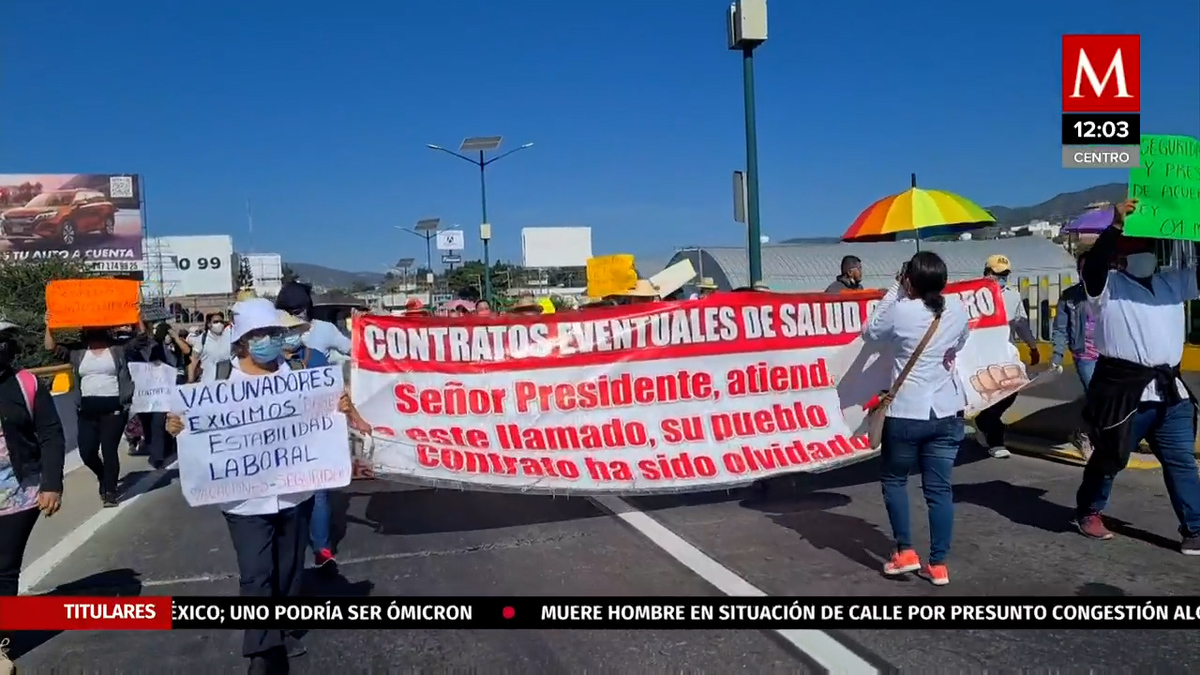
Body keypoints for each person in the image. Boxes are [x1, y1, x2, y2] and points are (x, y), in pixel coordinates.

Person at [164, 298, 361, 673]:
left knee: (288, 573)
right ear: (242, 341)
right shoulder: (220, 378)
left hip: (294, 493)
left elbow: (325, 415)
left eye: (272, 333)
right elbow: (192, 421)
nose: (268, 341)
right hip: (243, 502)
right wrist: (177, 426)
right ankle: (261, 651)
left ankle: (284, 626)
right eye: (259, 335)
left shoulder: (299, 373)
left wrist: (343, 409)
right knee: (256, 575)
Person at [1072, 200, 1200, 554]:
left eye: (1147, 248)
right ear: (1121, 256)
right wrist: (1115, 227)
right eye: (1135, 248)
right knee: (1111, 458)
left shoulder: (1172, 282)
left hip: (1170, 393)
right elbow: (1095, 265)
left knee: (1182, 462)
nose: (1144, 254)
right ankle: (1089, 510)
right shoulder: (1106, 286)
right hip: (1124, 392)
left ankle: (1195, 528)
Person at [863, 252, 971, 586]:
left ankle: (905, 551)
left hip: (906, 413)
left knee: (895, 480)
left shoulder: (901, 311)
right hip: (947, 413)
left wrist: (896, 288)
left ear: (909, 280)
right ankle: (937, 564)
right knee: (939, 489)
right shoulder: (958, 311)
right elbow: (960, 344)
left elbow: (869, 332)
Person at [0, 321, 65, 675]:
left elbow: (51, 434)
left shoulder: (25, 384)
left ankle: (0, 647)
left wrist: (52, 484)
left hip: (17, 493)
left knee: (3, 571)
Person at [45, 322, 133, 507]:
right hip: (87, 410)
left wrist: (137, 317)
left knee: (109, 450)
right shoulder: (78, 352)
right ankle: (103, 475)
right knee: (87, 452)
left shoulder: (117, 349)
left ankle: (110, 492)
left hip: (114, 408)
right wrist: (49, 325)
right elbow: (50, 347)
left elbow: (141, 339)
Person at [277, 311, 337, 572]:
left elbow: (332, 393)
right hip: (278, 442)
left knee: (319, 495)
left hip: (314, 437)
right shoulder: (266, 364)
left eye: (293, 330)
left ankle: (322, 549)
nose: (290, 336)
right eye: (283, 331)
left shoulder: (317, 358)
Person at [972, 254, 1040, 458]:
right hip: (981, 355)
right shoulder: (974, 296)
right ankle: (996, 440)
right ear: (987, 274)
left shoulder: (1013, 296)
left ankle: (984, 421)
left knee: (1011, 391)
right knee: (991, 397)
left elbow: (1020, 324)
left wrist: (1032, 346)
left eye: (1005, 275)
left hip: (1005, 355)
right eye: (998, 274)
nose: (1002, 278)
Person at [1051, 250, 1098, 460]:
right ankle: (1085, 436)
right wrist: (1057, 355)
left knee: (1105, 398)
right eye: (1083, 268)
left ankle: (1086, 434)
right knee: (1096, 395)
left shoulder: (1109, 293)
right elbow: (1060, 329)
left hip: (1110, 354)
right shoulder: (1070, 296)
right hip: (1085, 355)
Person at [275, 282, 352, 364]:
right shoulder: (275, 333)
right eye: (286, 314)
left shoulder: (325, 329)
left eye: (296, 312)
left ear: (306, 309)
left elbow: (352, 351)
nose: (292, 317)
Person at [188, 312, 232, 383]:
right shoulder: (202, 340)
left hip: (227, 383)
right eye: (216, 322)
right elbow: (193, 362)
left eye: (221, 322)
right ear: (209, 324)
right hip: (208, 384)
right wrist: (190, 382)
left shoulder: (229, 337)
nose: (219, 324)